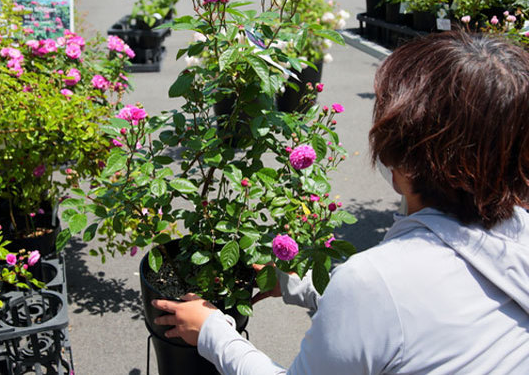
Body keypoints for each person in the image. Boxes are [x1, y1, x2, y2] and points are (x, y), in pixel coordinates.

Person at [152, 31, 529, 374]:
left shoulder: (375, 282)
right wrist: (303, 286)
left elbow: (388, 301)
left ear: (404, 164)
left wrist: (213, 333)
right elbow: (418, 317)